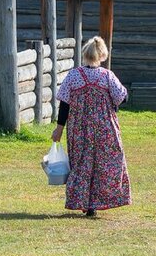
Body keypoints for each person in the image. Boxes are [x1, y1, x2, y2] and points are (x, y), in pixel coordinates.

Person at [52, 36, 131, 217]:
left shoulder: (73, 76)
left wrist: (59, 128)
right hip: (105, 128)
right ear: (102, 55)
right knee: (105, 164)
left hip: (79, 129)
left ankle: (83, 203)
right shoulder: (107, 76)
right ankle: (98, 202)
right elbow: (122, 97)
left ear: (85, 54)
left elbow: (64, 104)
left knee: (81, 164)